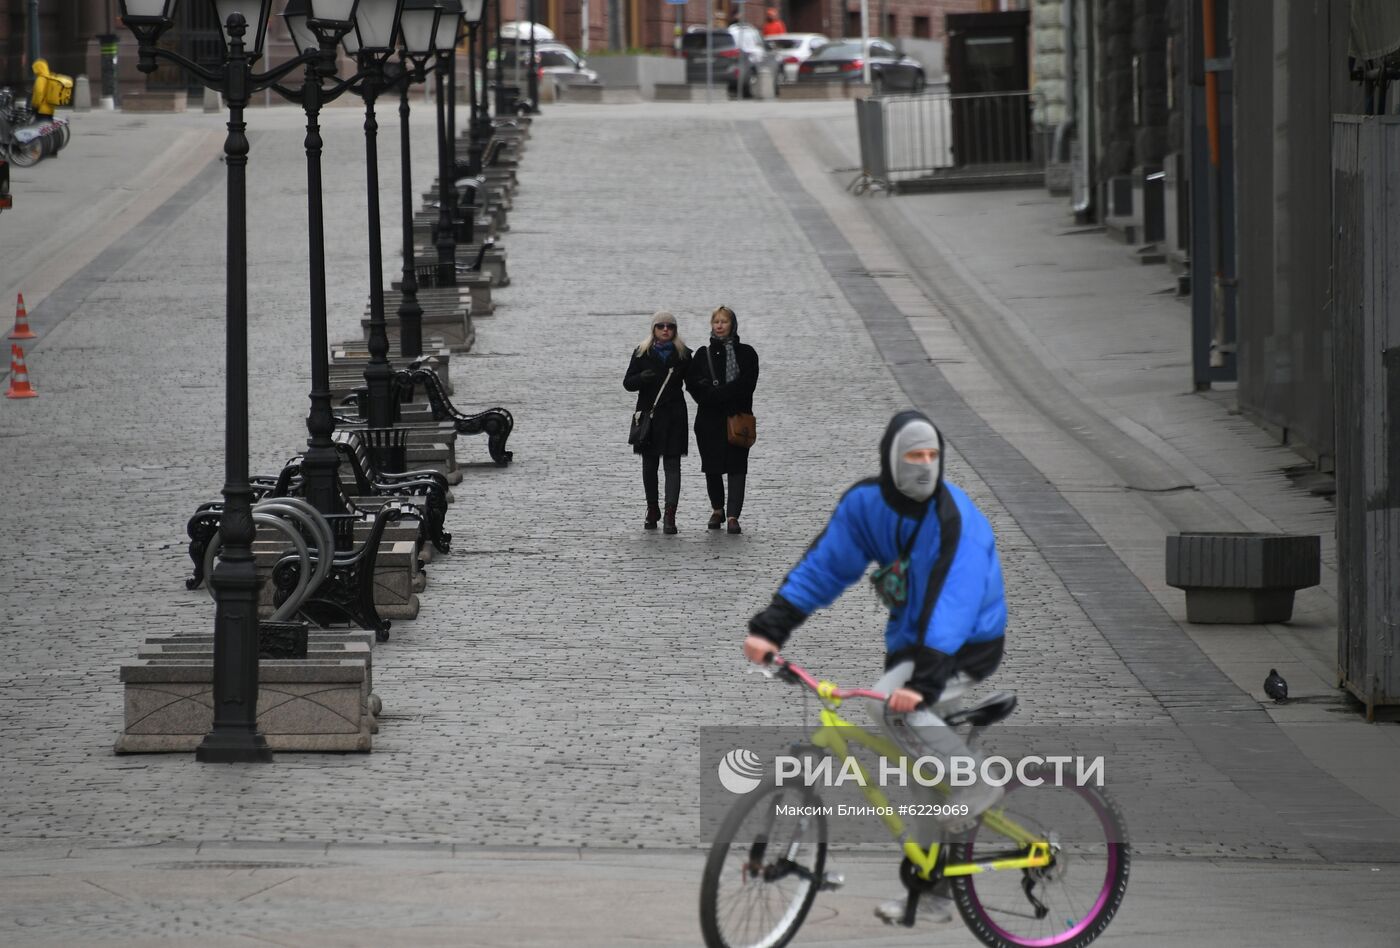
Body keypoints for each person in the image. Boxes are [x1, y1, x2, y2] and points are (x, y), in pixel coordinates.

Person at [742, 409, 1008, 926]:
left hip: (965, 644)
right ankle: (931, 891)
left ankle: (977, 783)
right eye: (914, 455)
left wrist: (925, 685)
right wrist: (771, 628)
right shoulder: (866, 506)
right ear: (891, 458)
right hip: (914, 643)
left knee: (894, 713)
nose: (925, 466)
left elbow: (954, 608)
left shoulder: (956, 522)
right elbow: (825, 567)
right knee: (920, 778)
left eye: (933, 456)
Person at [686, 306, 759, 534]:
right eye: (716, 322)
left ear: (732, 325)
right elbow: (694, 384)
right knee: (712, 467)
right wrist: (712, 396)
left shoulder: (746, 353)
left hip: (737, 418)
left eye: (724, 322)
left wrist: (722, 394)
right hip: (709, 420)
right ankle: (717, 509)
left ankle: (733, 516)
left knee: (738, 467)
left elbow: (748, 384)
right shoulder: (702, 354)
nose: (719, 325)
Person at [624, 312, 691, 533]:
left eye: (669, 326)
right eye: (660, 326)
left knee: (673, 465)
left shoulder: (683, 355)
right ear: (653, 329)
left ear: (675, 330)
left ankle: (670, 515)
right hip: (649, 417)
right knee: (649, 464)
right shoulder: (642, 353)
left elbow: (694, 384)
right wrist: (641, 378)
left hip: (674, 416)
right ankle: (652, 508)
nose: (665, 330)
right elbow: (628, 382)